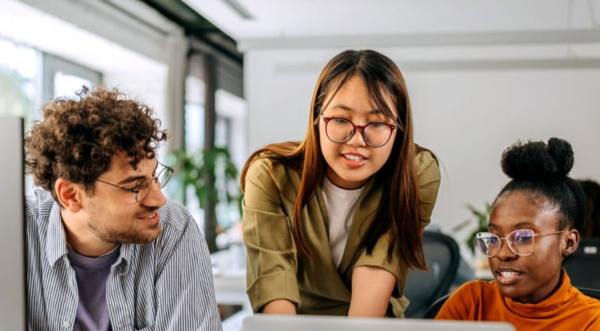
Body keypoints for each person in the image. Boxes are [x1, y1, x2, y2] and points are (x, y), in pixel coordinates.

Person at [241, 49, 441, 317]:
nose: (356, 139)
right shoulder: (270, 174)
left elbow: (377, 268)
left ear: (399, 128)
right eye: (340, 119)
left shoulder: (416, 173)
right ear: (316, 118)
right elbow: (273, 280)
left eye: (378, 123)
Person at [25, 87, 221, 330]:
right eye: (135, 186)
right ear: (70, 195)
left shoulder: (173, 228)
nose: (159, 200)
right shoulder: (16, 231)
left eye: (154, 177)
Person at [436, 138, 600, 330]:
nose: (503, 253)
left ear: (568, 242)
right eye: (495, 238)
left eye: (523, 237)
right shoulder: (472, 302)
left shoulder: (591, 320)